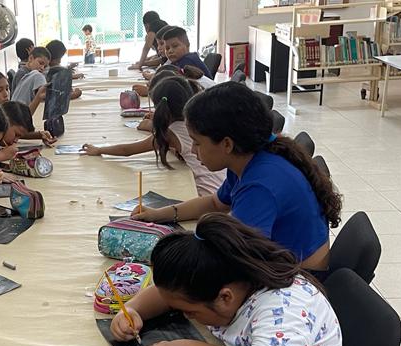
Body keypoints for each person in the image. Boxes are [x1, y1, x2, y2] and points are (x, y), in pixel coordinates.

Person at [109, 213, 348, 346]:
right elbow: (168, 294)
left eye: (190, 312)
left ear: (225, 297)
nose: (185, 314)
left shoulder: (284, 308)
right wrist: (132, 309)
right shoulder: (230, 275)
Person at [133, 81, 340, 272]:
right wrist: (158, 215)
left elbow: (236, 259)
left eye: (197, 142)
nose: (193, 151)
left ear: (227, 144)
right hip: (280, 264)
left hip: (298, 279)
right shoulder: (247, 158)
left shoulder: (259, 186)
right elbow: (215, 203)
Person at [83, 77, 225, 197]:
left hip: (208, 192)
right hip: (222, 185)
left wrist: (99, 150)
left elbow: (128, 150)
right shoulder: (194, 121)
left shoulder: (170, 133)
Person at [10, 46, 50, 113]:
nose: (42, 68)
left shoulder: (32, 73)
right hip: (19, 112)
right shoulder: (26, 74)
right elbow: (43, 96)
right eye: (40, 63)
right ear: (31, 58)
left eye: (45, 66)